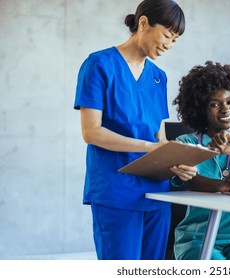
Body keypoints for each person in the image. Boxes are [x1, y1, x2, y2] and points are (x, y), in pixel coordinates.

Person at [73, 0, 197, 260]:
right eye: (166, 35)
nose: (168, 45)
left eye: (175, 40)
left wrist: (175, 162)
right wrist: (150, 148)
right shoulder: (99, 65)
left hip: (156, 192)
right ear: (143, 23)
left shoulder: (158, 77)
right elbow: (91, 132)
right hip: (116, 190)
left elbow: (159, 137)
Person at [171, 61, 230, 260]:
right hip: (197, 236)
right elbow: (191, 181)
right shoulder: (187, 142)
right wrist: (223, 185)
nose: (226, 110)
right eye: (215, 104)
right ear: (200, 109)